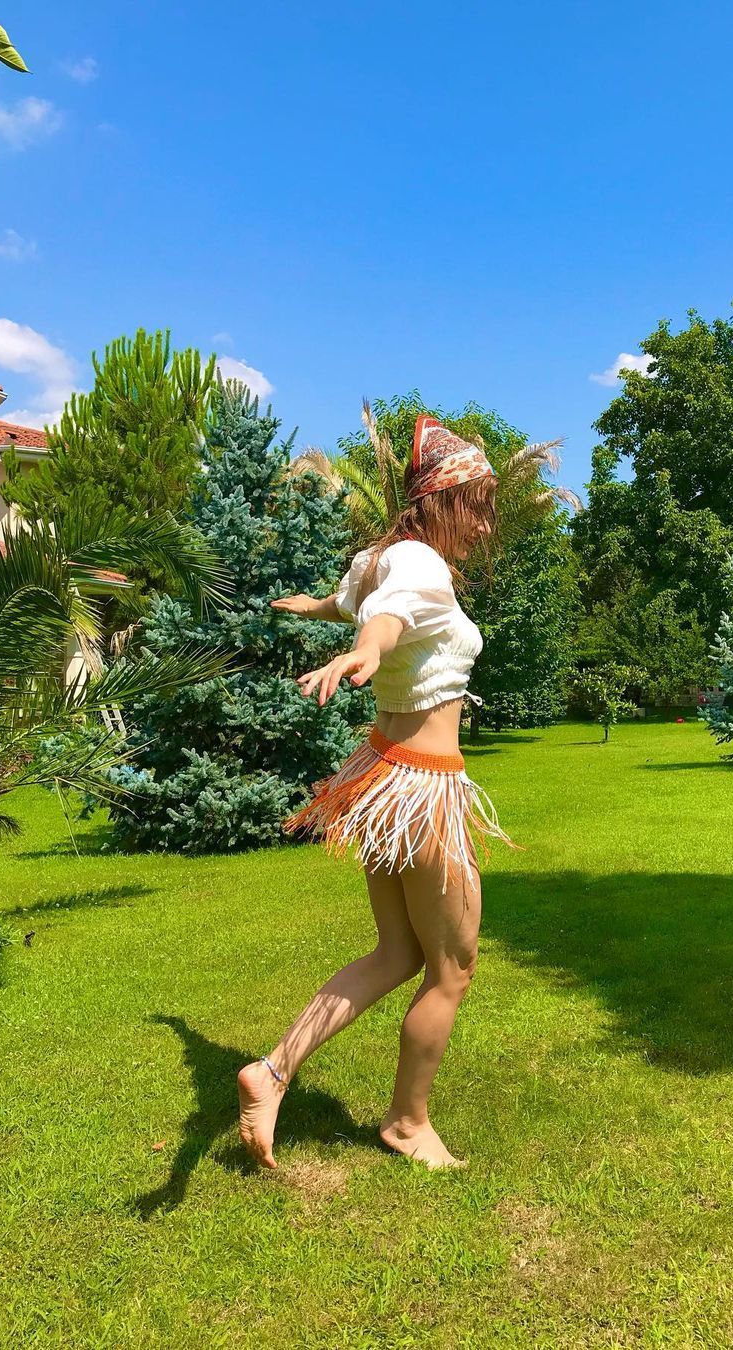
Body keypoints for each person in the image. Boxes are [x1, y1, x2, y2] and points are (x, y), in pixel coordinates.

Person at [237, 414, 524, 1170]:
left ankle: (271, 1073)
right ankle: (407, 1122)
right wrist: (359, 655)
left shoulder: (380, 558)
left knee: (397, 951)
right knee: (453, 967)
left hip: (381, 774)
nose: (484, 525)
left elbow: (360, 603)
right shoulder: (420, 567)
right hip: (422, 789)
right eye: (478, 508)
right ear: (443, 502)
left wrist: (316, 609)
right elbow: (384, 623)